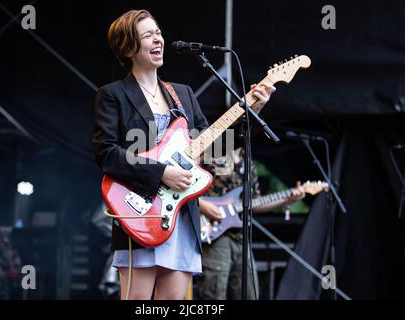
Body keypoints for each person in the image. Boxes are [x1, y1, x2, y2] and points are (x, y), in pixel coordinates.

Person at [93, 9, 275, 300]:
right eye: (148, 35)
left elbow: (215, 148)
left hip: (180, 215)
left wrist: (253, 111)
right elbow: (106, 153)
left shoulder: (183, 94)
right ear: (128, 48)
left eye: (159, 32)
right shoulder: (113, 94)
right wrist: (161, 172)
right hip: (141, 210)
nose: (158, 39)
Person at [197, 147, 306, 300]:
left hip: (241, 235)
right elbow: (186, 184)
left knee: (249, 293)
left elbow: (254, 203)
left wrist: (288, 199)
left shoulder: (247, 159)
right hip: (214, 234)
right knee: (213, 295)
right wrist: (202, 205)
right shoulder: (211, 151)